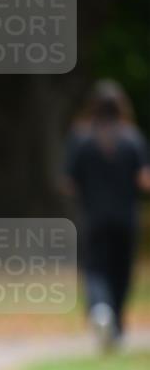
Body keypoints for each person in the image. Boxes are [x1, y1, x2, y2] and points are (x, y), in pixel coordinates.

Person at [64, 80, 150, 350]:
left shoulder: (81, 138)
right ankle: (118, 325)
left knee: (95, 270)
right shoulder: (132, 139)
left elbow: (69, 182)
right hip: (126, 219)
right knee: (121, 272)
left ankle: (101, 309)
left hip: (93, 219)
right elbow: (144, 180)